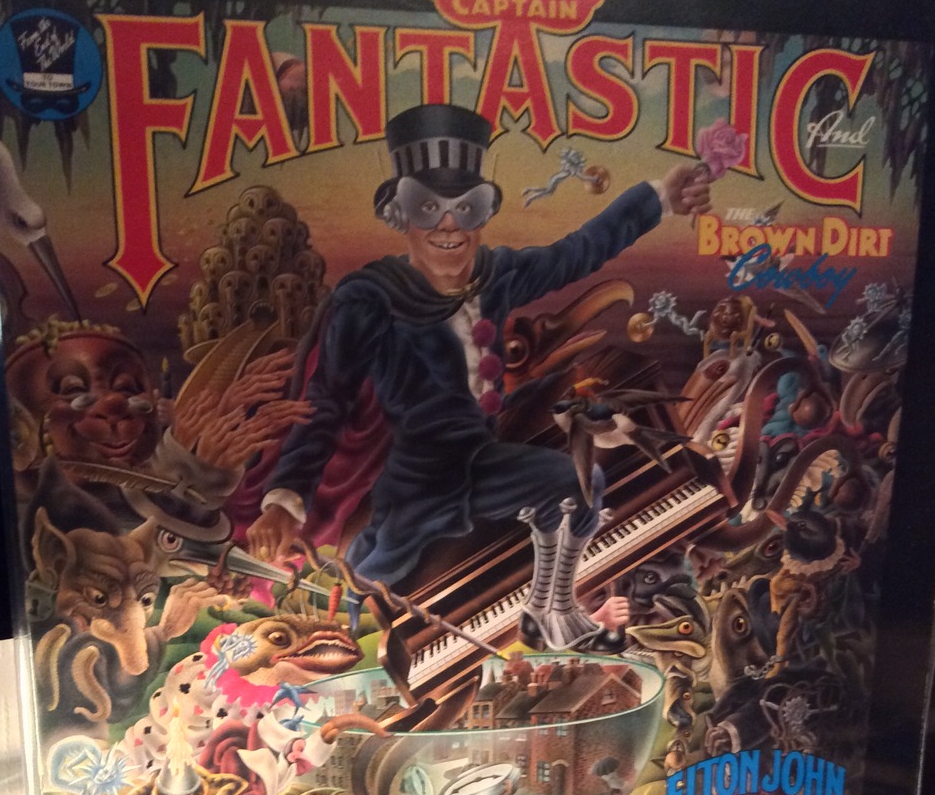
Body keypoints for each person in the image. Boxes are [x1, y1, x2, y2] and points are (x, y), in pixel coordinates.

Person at [248, 104, 710, 651]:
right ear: (401, 215)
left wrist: (658, 196)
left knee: (578, 485)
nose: (449, 226)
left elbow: (579, 252)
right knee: (373, 583)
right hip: (419, 481)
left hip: (480, 460)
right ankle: (355, 626)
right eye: (428, 208)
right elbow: (326, 401)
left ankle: (551, 608)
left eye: (465, 208)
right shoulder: (370, 300)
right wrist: (284, 500)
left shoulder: (497, 275)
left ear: (482, 214)